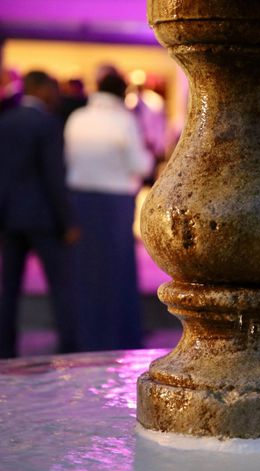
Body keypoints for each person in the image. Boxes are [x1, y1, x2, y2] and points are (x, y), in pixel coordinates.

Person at [64, 71, 153, 351]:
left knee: (85, 272)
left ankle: (85, 336)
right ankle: (119, 338)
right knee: (118, 272)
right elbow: (140, 165)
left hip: (80, 199)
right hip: (114, 201)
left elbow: (67, 159)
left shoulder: (77, 118)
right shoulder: (123, 120)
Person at [0, 70, 79, 358]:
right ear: (42, 88)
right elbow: (53, 177)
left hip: (9, 219)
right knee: (60, 287)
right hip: (43, 218)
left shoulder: (5, 121)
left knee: (8, 289)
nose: (56, 94)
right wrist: (68, 221)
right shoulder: (47, 124)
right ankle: (68, 347)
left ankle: (5, 351)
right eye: (53, 88)